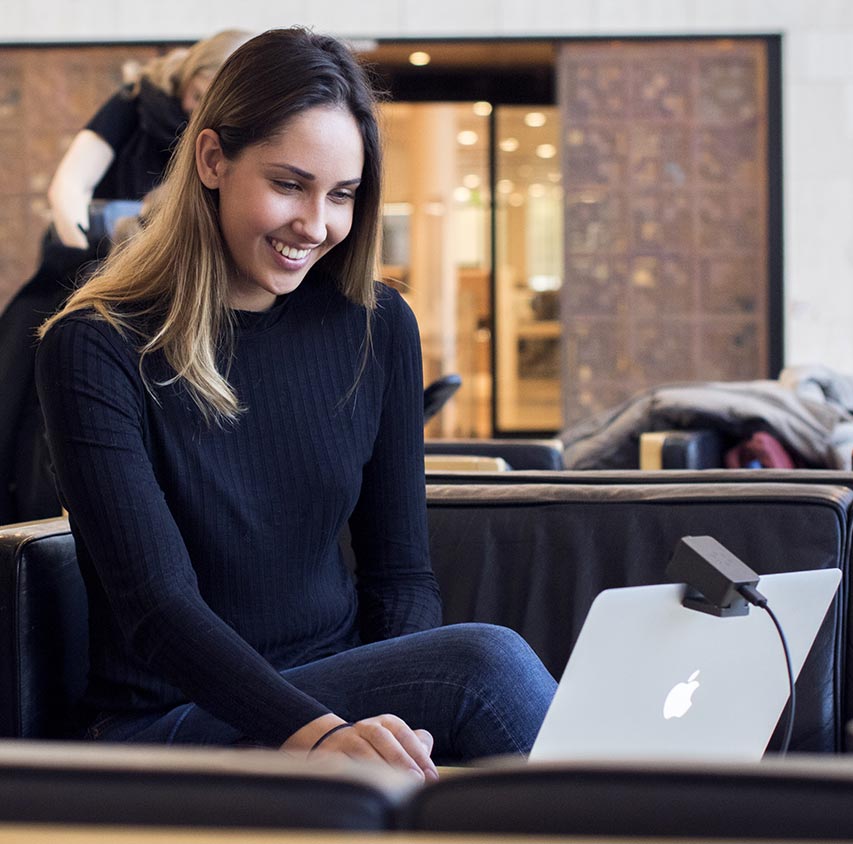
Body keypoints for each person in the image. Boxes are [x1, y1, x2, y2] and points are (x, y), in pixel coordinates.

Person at [35, 27, 556, 779]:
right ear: (212, 159)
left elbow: (401, 577)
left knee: (467, 682)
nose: (315, 226)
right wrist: (314, 732)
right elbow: (156, 610)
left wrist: (392, 727)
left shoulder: (376, 324)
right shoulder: (96, 345)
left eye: (341, 195)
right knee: (482, 662)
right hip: (165, 721)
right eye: (289, 184)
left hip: (333, 697)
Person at [47, 28, 250, 249]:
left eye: (209, 105)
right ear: (191, 71)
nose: (197, 111)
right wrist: (80, 249)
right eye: (197, 96)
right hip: (98, 248)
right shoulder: (138, 98)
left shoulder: (226, 144)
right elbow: (71, 183)